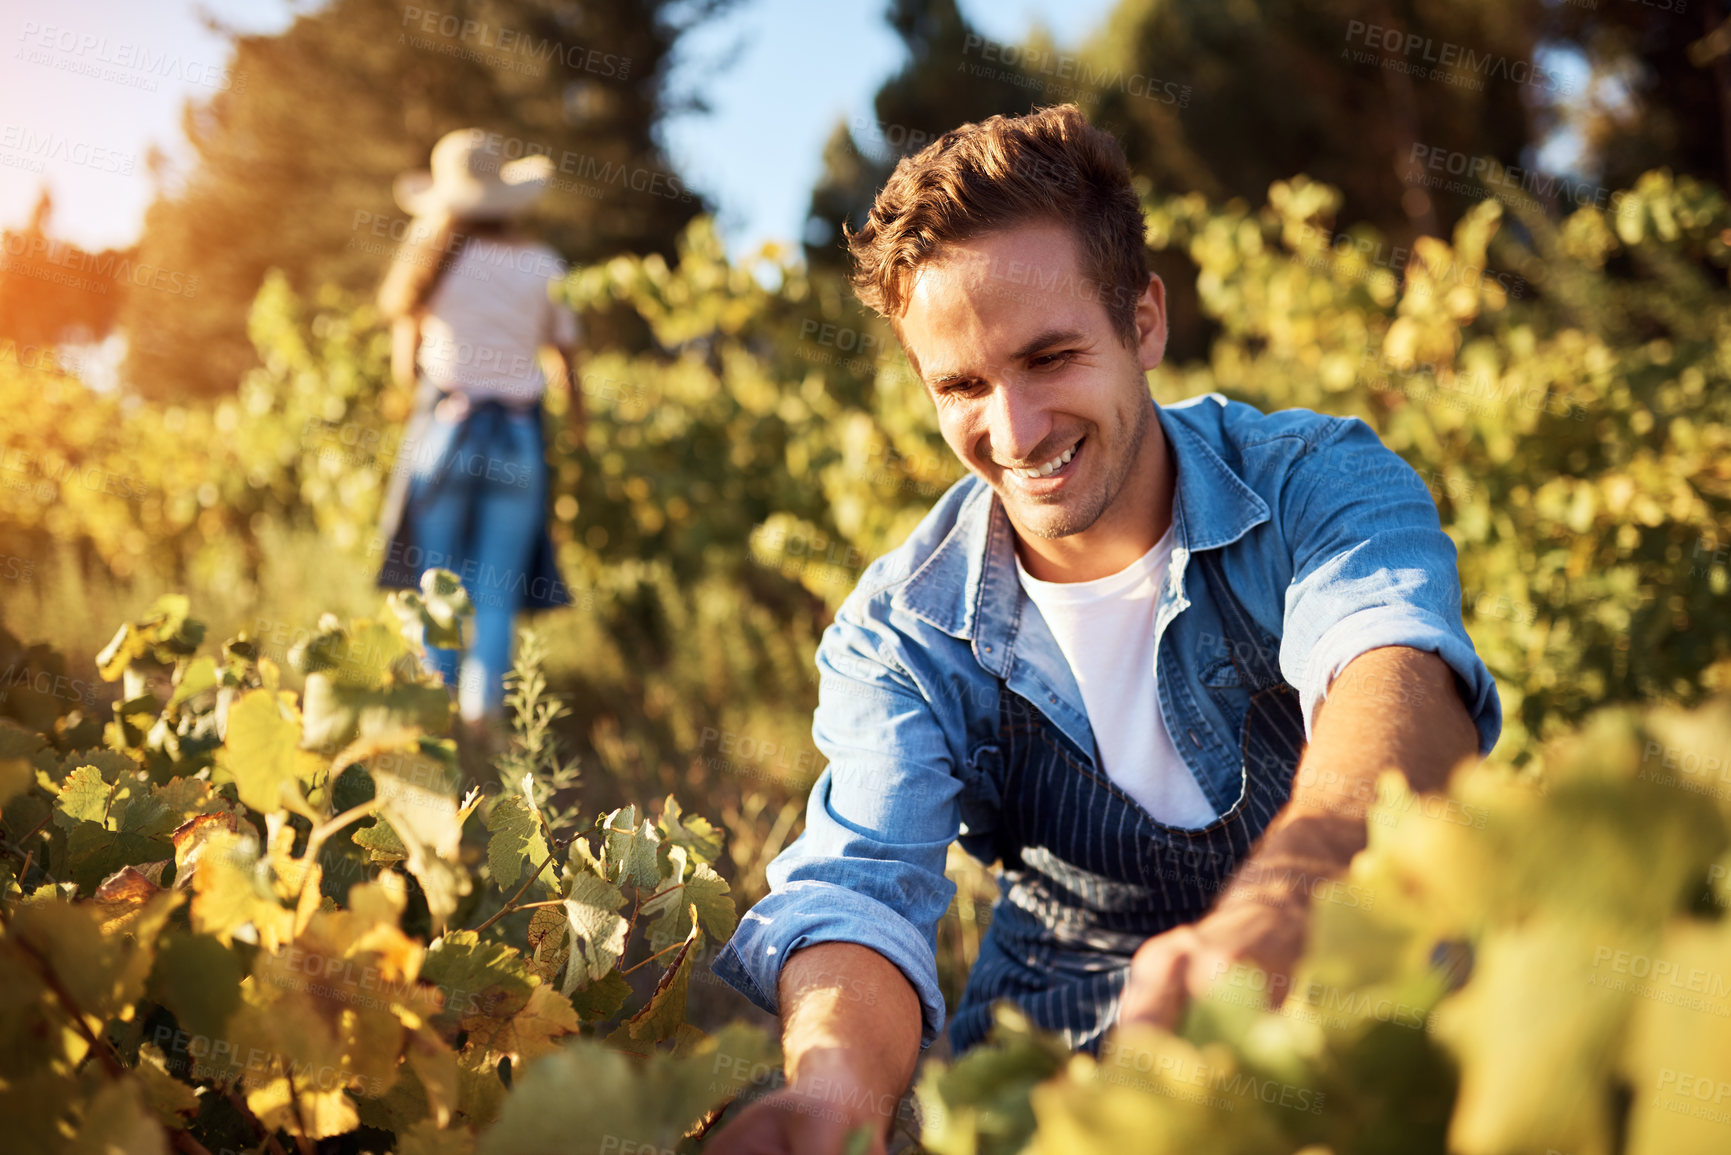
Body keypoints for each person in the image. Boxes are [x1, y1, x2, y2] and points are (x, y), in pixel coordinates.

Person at [705, 104, 1500, 1154]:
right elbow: (861, 890)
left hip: (1338, 963)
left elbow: (1394, 673)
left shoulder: (1315, 483)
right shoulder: (901, 632)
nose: (1016, 430)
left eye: (1049, 358)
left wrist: (1291, 900)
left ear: (1145, 322)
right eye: (963, 386)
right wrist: (829, 1094)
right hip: (1061, 1036)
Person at [373, 127, 584, 752]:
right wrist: (577, 430)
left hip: (445, 432)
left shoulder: (429, 257)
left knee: (436, 585)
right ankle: (482, 724)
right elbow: (567, 365)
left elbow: (403, 365)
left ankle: (432, 723)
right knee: (496, 591)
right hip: (518, 437)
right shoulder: (544, 265)